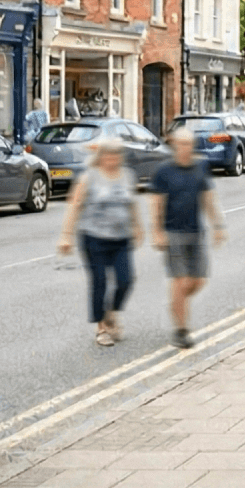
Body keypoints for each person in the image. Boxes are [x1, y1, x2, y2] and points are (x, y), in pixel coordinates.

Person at [58, 137, 141, 347]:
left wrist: (138, 227)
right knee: (100, 282)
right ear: (101, 157)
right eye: (108, 155)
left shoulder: (127, 176)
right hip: (93, 237)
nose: (112, 160)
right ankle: (102, 328)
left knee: (126, 280)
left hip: (121, 238)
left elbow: (132, 204)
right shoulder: (89, 177)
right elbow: (74, 205)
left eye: (116, 156)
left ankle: (111, 312)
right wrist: (66, 235)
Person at [149, 128, 226, 349]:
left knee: (198, 281)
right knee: (181, 282)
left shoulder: (200, 166)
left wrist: (218, 225)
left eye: (188, 145)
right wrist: (157, 232)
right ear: (174, 147)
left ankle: (177, 301)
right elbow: (156, 204)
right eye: (181, 145)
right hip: (173, 233)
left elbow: (208, 197)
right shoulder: (164, 171)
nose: (185, 149)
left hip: (196, 232)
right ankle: (181, 330)